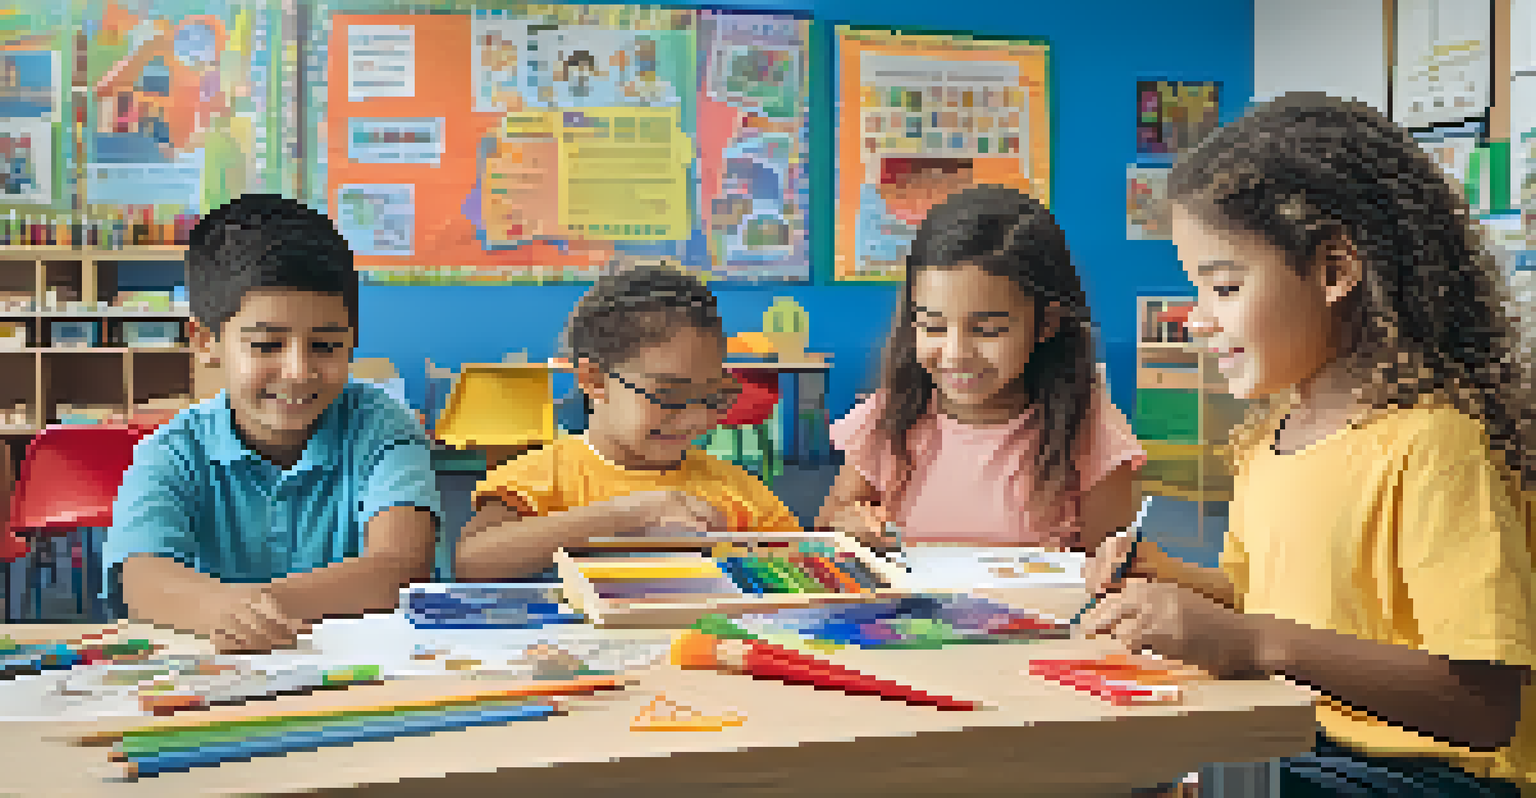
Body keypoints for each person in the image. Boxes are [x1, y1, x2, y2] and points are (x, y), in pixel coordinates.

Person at [1083, 92, 1536, 797]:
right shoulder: (1270, 440)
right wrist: (1165, 577)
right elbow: (1262, 599)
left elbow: (1483, 706)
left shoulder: (1434, 443)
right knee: (1118, 767)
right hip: (1306, 738)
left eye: (1223, 286)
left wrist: (1256, 643)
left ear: (1332, 271)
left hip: (1432, 776)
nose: (1197, 320)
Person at [104, 194, 442, 654]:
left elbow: (401, 566)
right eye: (266, 345)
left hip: (359, 679)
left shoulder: (382, 429)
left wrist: (250, 606)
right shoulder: (173, 451)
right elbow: (141, 578)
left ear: (353, 341)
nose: (299, 371)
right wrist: (222, 610)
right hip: (219, 686)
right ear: (206, 341)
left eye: (325, 346)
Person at [819, 184, 1146, 553]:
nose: (956, 353)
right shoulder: (886, 421)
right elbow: (831, 525)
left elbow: (1112, 572)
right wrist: (850, 525)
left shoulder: (1090, 435)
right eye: (933, 326)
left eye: (988, 330)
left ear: (1047, 324)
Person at [455, 265, 800, 581]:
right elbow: (472, 562)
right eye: (669, 394)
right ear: (595, 381)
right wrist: (626, 514)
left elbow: (805, 571)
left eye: (712, 397)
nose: (696, 418)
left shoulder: (739, 492)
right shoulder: (542, 477)